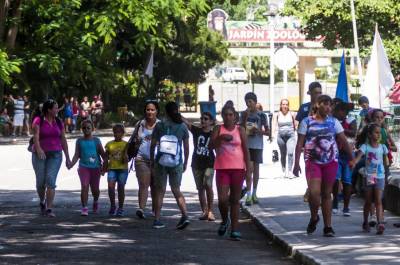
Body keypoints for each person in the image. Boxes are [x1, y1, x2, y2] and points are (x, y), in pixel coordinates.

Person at [293, 95, 353, 237]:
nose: (328, 107)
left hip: (331, 161)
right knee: (314, 193)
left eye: (330, 105)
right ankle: (314, 217)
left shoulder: (334, 122)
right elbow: (299, 144)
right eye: (325, 104)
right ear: (318, 105)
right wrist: (296, 163)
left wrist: (352, 158)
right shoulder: (306, 122)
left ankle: (328, 227)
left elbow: (343, 141)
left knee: (327, 194)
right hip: (312, 161)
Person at [211, 103, 251, 240]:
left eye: (231, 115)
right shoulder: (218, 129)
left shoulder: (240, 130)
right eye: (226, 115)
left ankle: (234, 229)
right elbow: (211, 146)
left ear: (235, 117)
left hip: (238, 168)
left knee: (234, 200)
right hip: (222, 168)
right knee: (222, 200)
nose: (228, 117)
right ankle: (224, 220)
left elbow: (246, 150)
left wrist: (249, 170)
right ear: (222, 116)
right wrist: (221, 138)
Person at [150, 102, 190, 229]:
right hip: (176, 162)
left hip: (160, 162)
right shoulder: (182, 126)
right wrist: (185, 162)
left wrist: (152, 160)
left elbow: (153, 145)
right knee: (176, 190)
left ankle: (157, 219)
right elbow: (186, 147)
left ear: (165, 112)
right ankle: (185, 215)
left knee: (160, 191)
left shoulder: (159, 125)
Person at [31, 99, 71, 217]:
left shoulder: (58, 122)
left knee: (50, 180)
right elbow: (35, 137)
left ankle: (49, 208)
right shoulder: (38, 120)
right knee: (40, 183)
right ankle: (42, 201)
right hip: (40, 154)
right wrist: (38, 149)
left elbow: (63, 139)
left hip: (56, 154)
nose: (57, 110)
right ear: (49, 110)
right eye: (55, 108)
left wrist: (68, 158)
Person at [353, 123, 388, 234]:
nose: (378, 135)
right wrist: (354, 162)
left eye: (380, 133)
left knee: (378, 200)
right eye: (376, 132)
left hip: (380, 176)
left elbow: (386, 161)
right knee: (368, 201)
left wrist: (387, 165)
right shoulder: (365, 147)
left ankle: (380, 223)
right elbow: (358, 158)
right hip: (370, 175)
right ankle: (365, 222)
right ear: (369, 134)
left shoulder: (383, 147)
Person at [128, 100, 160, 219]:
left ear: (157, 111)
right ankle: (141, 209)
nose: (150, 112)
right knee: (143, 184)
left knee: (155, 186)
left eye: (152, 109)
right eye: (148, 109)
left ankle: (155, 210)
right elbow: (132, 139)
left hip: (157, 160)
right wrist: (128, 152)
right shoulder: (140, 124)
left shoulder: (160, 125)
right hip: (141, 158)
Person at [182, 112, 216, 221]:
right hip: (196, 163)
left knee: (208, 185)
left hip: (209, 163)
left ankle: (210, 211)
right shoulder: (197, 131)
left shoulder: (214, 133)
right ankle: (204, 211)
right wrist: (177, 113)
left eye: (206, 119)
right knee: (200, 188)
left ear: (211, 121)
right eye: (202, 119)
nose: (203, 121)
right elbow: (187, 123)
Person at [69, 119, 106, 216]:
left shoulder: (96, 141)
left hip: (96, 168)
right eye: (84, 128)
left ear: (93, 129)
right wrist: (71, 164)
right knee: (84, 186)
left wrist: (105, 167)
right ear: (82, 129)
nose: (86, 130)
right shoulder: (79, 141)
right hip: (83, 167)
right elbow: (77, 154)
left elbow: (103, 155)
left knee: (95, 189)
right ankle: (84, 207)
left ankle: (95, 201)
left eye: (88, 128)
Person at [240, 92, 269, 205]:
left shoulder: (262, 115)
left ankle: (254, 193)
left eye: (250, 101)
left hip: (258, 144)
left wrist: (259, 131)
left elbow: (268, 132)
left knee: (256, 169)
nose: (248, 104)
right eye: (246, 101)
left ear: (255, 102)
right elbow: (240, 128)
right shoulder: (243, 114)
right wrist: (245, 117)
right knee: (249, 169)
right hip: (247, 145)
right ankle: (248, 194)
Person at [295, 82, 322, 202]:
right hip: (308, 145)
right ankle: (311, 189)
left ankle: (317, 191)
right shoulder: (304, 107)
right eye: (316, 92)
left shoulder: (324, 107)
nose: (318, 95)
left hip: (323, 146)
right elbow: (298, 125)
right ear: (309, 93)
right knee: (310, 169)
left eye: (320, 92)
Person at [331, 101, 357, 216]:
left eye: (336, 111)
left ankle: (346, 207)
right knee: (336, 179)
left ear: (343, 112)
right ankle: (335, 202)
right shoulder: (332, 120)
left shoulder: (351, 120)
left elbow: (353, 133)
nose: (334, 113)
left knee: (347, 181)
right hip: (336, 153)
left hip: (348, 154)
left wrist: (340, 129)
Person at [105, 124, 129, 216]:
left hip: (122, 169)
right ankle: (113, 205)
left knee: (121, 188)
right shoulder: (109, 144)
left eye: (119, 132)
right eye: (115, 132)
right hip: (112, 169)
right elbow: (106, 157)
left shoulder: (126, 144)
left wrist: (126, 156)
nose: (117, 134)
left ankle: (121, 208)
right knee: (111, 187)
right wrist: (104, 168)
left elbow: (129, 157)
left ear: (123, 133)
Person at [272, 99, 297, 178]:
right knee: (283, 154)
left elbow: (296, 125)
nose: (285, 106)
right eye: (283, 104)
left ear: (288, 106)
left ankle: (289, 171)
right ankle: (283, 171)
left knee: (290, 153)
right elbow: (274, 125)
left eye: (286, 104)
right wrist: (272, 135)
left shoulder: (292, 113)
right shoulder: (277, 114)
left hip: (291, 136)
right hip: (281, 137)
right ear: (280, 105)